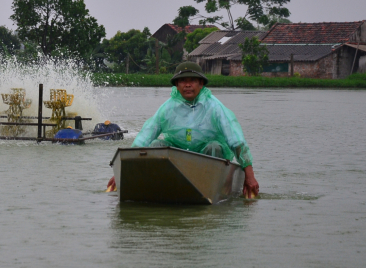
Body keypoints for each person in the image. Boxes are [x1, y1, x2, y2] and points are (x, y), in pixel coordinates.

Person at [106, 62, 259, 198]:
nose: (187, 85)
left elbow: (235, 139)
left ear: (201, 83)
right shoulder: (167, 107)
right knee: (154, 146)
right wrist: (123, 172)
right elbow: (145, 135)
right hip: (178, 155)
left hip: (208, 157)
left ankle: (208, 191)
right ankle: (159, 188)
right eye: (183, 81)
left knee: (214, 147)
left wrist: (249, 175)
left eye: (192, 80)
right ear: (177, 85)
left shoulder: (214, 107)